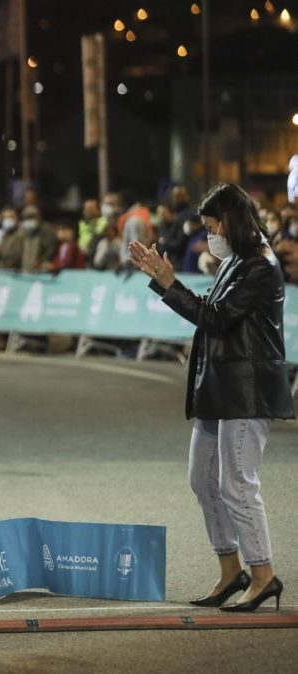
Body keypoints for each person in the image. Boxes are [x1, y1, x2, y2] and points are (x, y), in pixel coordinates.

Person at [128, 184, 292, 612]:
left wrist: (168, 283)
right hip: (219, 387)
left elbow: (214, 319)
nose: (209, 233)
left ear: (231, 220)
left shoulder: (260, 266)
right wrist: (167, 283)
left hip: (246, 390)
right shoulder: (235, 261)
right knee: (203, 480)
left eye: (212, 225)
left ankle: (263, 575)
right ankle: (230, 572)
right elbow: (210, 311)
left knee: (237, 485)